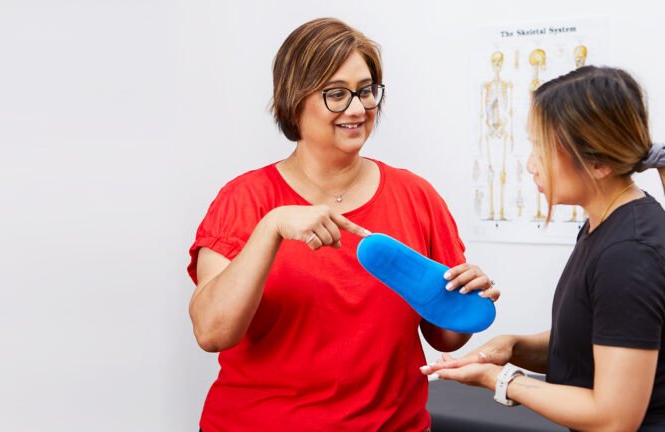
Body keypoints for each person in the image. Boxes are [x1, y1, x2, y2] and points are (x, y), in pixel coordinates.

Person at [187, 18, 499, 431]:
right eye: (336, 94)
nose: (357, 108)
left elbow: (444, 337)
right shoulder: (245, 199)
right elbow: (212, 333)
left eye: (366, 91)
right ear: (293, 101)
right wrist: (272, 227)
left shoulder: (415, 195)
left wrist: (464, 297)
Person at [421, 66, 665, 431]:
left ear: (597, 161)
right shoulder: (605, 226)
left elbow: (613, 418)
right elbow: (597, 341)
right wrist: (514, 346)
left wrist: (499, 379)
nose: (530, 166)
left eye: (540, 149)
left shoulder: (631, 251)